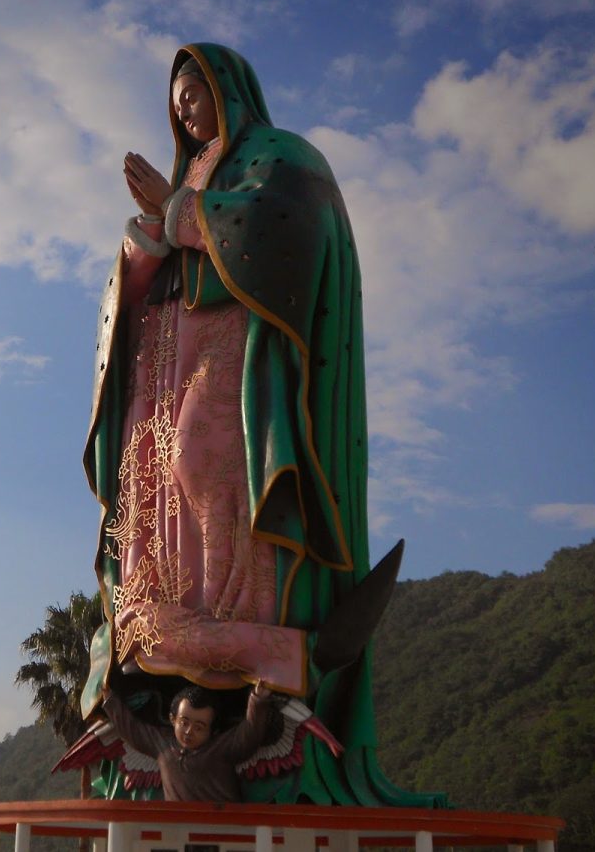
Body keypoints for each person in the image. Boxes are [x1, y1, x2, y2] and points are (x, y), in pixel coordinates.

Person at [81, 44, 446, 807]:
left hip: (235, 350)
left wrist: (181, 213)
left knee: (208, 464)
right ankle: (174, 625)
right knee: (158, 486)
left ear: (227, 89)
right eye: (175, 101)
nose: (184, 110)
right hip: (166, 354)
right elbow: (142, 271)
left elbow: (283, 231)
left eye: (194, 93)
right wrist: (146, 235)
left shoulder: (279, 157)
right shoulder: (187, 172)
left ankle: (238, 618)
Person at [102, 682, 272, 804]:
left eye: (199, 727)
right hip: (179, 829)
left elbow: (250, 732)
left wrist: (258, 699)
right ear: (173, 719)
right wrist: (109, 698)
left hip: (221, 827)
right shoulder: (162, 743)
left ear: (213, 731)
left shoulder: (222, 748)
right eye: (184, 723)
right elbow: (132, 729)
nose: (189, 731)